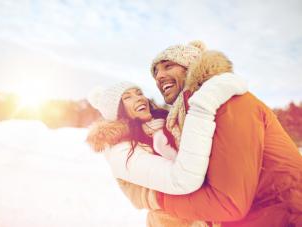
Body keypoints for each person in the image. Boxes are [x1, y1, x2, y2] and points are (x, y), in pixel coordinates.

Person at [113, 40, 302, 227]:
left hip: (285, 215)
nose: (159, 76)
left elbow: (228, 203)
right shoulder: (192, 117)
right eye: (155, 73)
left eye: (168, 66)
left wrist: (153, 198)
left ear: (191, 67)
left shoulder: (231, 103)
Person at [87, 75, 247, 226]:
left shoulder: (163, 126)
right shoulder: (120, 152)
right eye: (127, 97)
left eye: (139, 93)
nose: (140, 98)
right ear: (116, 111)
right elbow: (181, 179)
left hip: (206, 216)